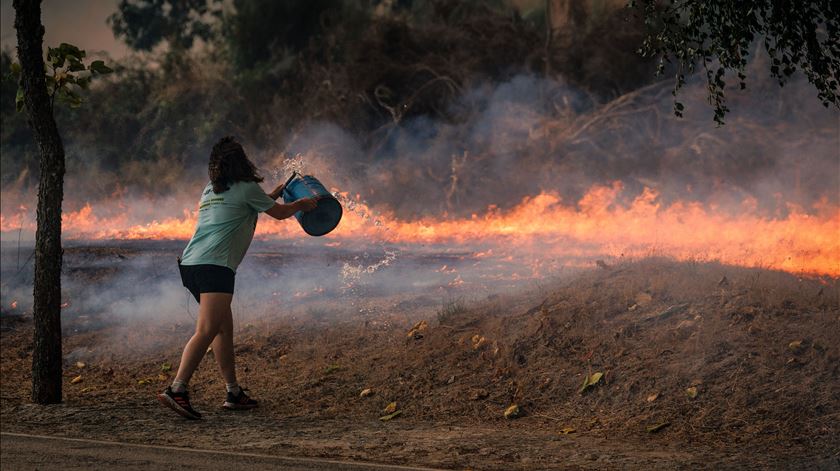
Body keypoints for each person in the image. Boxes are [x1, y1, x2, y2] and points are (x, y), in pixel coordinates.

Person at [157, 136, 317, 420]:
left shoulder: (211, 190)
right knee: (207, 330)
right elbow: (279, 215)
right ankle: (177, 389)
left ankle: (233, 392)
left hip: (192, 264)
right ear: (241, 161)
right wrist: (301, 204)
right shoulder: (246, 188)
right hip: (214, 267)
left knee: (221, 330)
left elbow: (250, 205)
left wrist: (273, 194)